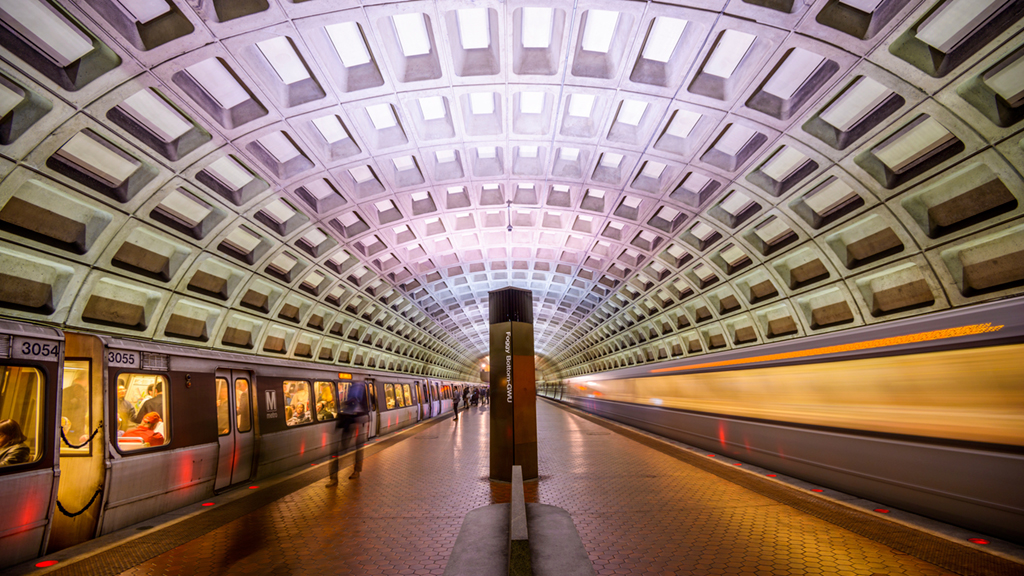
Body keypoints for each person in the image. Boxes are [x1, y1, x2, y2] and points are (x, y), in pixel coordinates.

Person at [327, 381, 368, 486]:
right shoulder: (350, 388)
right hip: (346, 420)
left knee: (355, 447)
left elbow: (367, 405)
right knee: (340, 449)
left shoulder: (361, 389)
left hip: (357, 420)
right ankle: (335, 476)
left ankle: (353, 472)